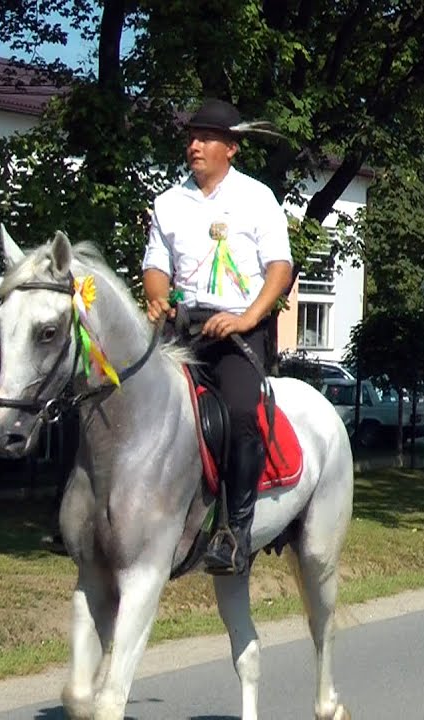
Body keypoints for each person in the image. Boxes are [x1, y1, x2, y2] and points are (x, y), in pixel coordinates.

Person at [142, 98, 294, 576]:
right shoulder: (168, 203)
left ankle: (234, 530)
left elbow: (280, 268)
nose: (194, 145)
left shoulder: (257, 198)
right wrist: (157, 298)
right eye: (191, 137)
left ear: (231, 147)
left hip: (237, 338)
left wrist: (247, 318)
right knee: (113, 393)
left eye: (205, 138)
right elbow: (155, 266)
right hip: (181, 332)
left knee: (243, 410)